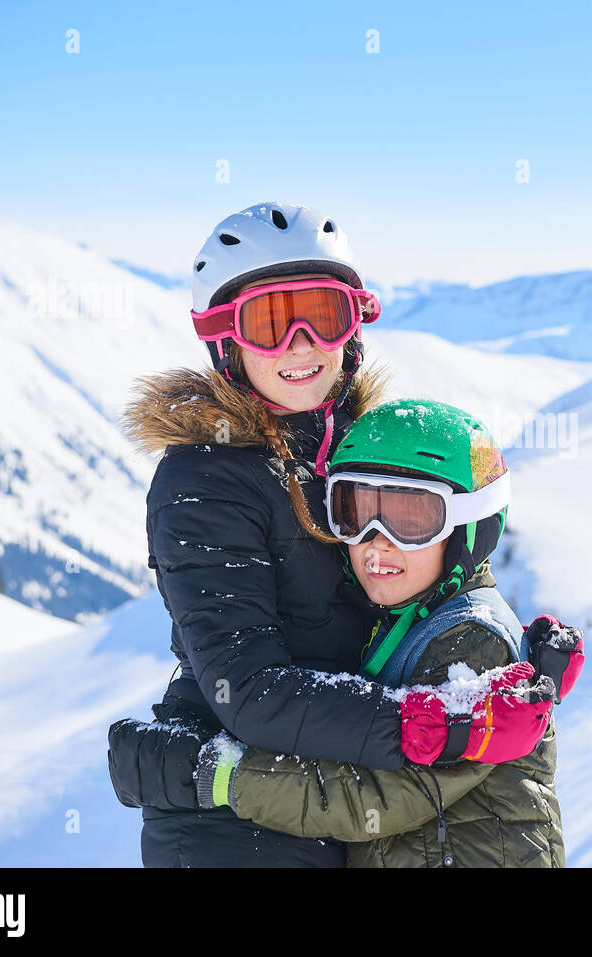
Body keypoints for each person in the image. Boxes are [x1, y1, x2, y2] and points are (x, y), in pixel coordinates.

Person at [112, 202, 559, 867]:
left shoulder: (358, 451)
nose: (299, 343)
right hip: (231, 824)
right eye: (268, 321)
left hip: (329, 796)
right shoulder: (204, 482)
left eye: (321, 315)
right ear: (224, 341)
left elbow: (441, 555)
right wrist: (439, 724)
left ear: (352, 327)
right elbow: (250, 689)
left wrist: (517, 662)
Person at [112, 399, 584, 867]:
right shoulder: (403, 615)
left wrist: (220, 778)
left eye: (412, 520)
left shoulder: (470, 640)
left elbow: (379, 797)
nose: (377, 540)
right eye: (355, 511)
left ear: (471, 529)